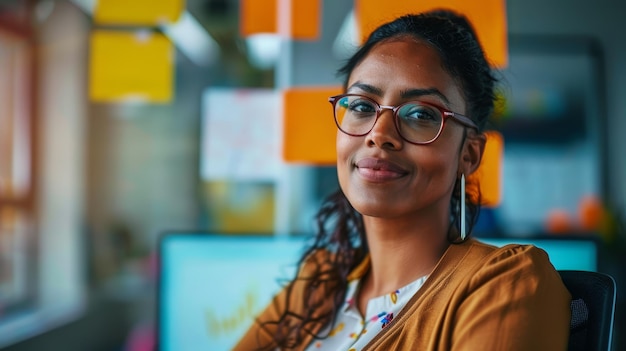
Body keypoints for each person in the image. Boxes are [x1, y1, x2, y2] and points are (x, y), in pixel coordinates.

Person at [234, 9, 571, 351]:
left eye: (421, 114)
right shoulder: (319, 281)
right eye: (363, 106)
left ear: (468, 154)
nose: (379, 135)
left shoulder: (504, 283)